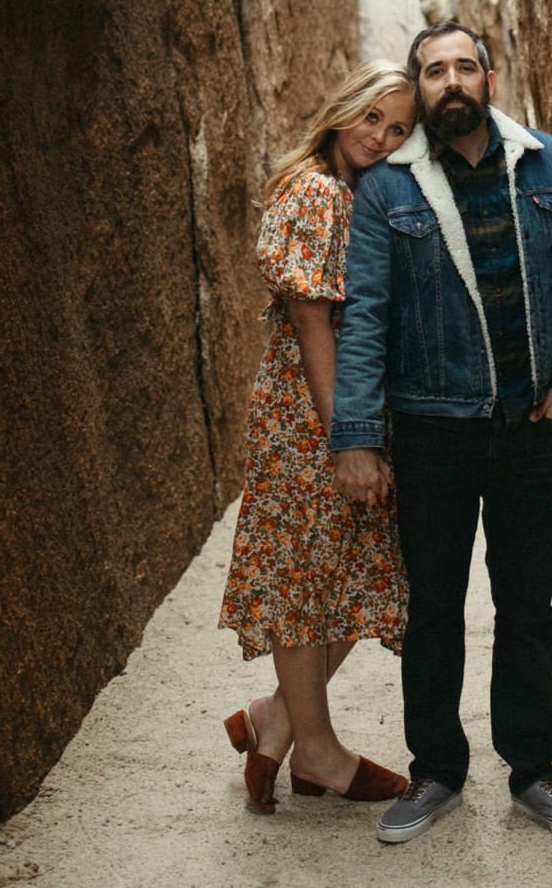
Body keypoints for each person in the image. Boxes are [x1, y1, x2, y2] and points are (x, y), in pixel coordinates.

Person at [331, 22, 552, 843]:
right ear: (419, 89)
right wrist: (357, 435)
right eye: (432, 70)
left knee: (528, 605)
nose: (450, 80)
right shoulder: (388, 189)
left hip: (531, 430)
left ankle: (533, 770)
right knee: (435, 608)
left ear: (490, 75)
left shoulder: (548, 162)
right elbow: (368, 314)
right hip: (433, 430)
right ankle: (437, 771)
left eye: (463, 65)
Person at [218, 61, 417, 813]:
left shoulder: (343, 191)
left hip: (324, 409)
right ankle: (320, 752)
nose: (382, 136)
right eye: (373, 118)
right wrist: (346, 440)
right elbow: (312, 324)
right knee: (307, 586)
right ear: (342, 112)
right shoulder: (319, 193)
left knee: (358, 577)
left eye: (398, 128)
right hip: (312, 416)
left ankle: (276, 718)